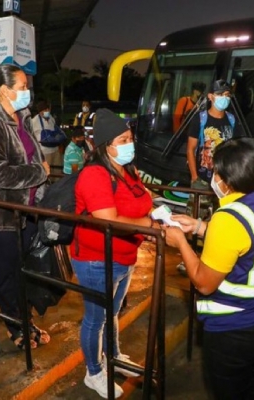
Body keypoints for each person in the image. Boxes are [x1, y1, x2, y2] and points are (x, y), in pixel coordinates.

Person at [164, 138, 254, 400]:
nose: (214, 178)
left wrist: (180, 242)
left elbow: (204, 283)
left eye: (216, 172)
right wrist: (200, 227)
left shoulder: (229, 219)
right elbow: (249, 242)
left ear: (229, 179)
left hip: (238, 332)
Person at [72, 108, 160, 399]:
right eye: (122, 139)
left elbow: (143, 197)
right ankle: (94, 372)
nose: (128, 144)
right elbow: (108, 218)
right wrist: (148, 223)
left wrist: (158, 209)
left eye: (130, 138)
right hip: (96, 260)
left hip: (124, 256)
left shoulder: (125, 170)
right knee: (96, 318)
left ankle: (114, 357)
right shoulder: (95, 174)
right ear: (105, 145)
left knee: (112, 314)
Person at [0, 63, 51, 349]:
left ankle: (25, 319)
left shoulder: (23, 117)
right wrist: (39, 172)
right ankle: (15, 329)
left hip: (26, 212)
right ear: (4, 90)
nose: (28, 92)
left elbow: (32, 155)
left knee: (21, 272)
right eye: (23, 87)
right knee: (6, 276)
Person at [186, 79, 235, 190]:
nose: (224, 98)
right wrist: (194, 177)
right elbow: (190, 149)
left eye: (227, 95)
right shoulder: (200, 119)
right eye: (219, 94)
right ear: (210, 96)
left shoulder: (232, 120)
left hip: (226, 180)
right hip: (203, 180)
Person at [31, 100, 63, 167]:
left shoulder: (51, 118)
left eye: (48, 109)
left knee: (57, 171)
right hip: (44, 151)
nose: (47, 111)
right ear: (40, 111)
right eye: (45, 109)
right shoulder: (35, 121)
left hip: (55, 150)